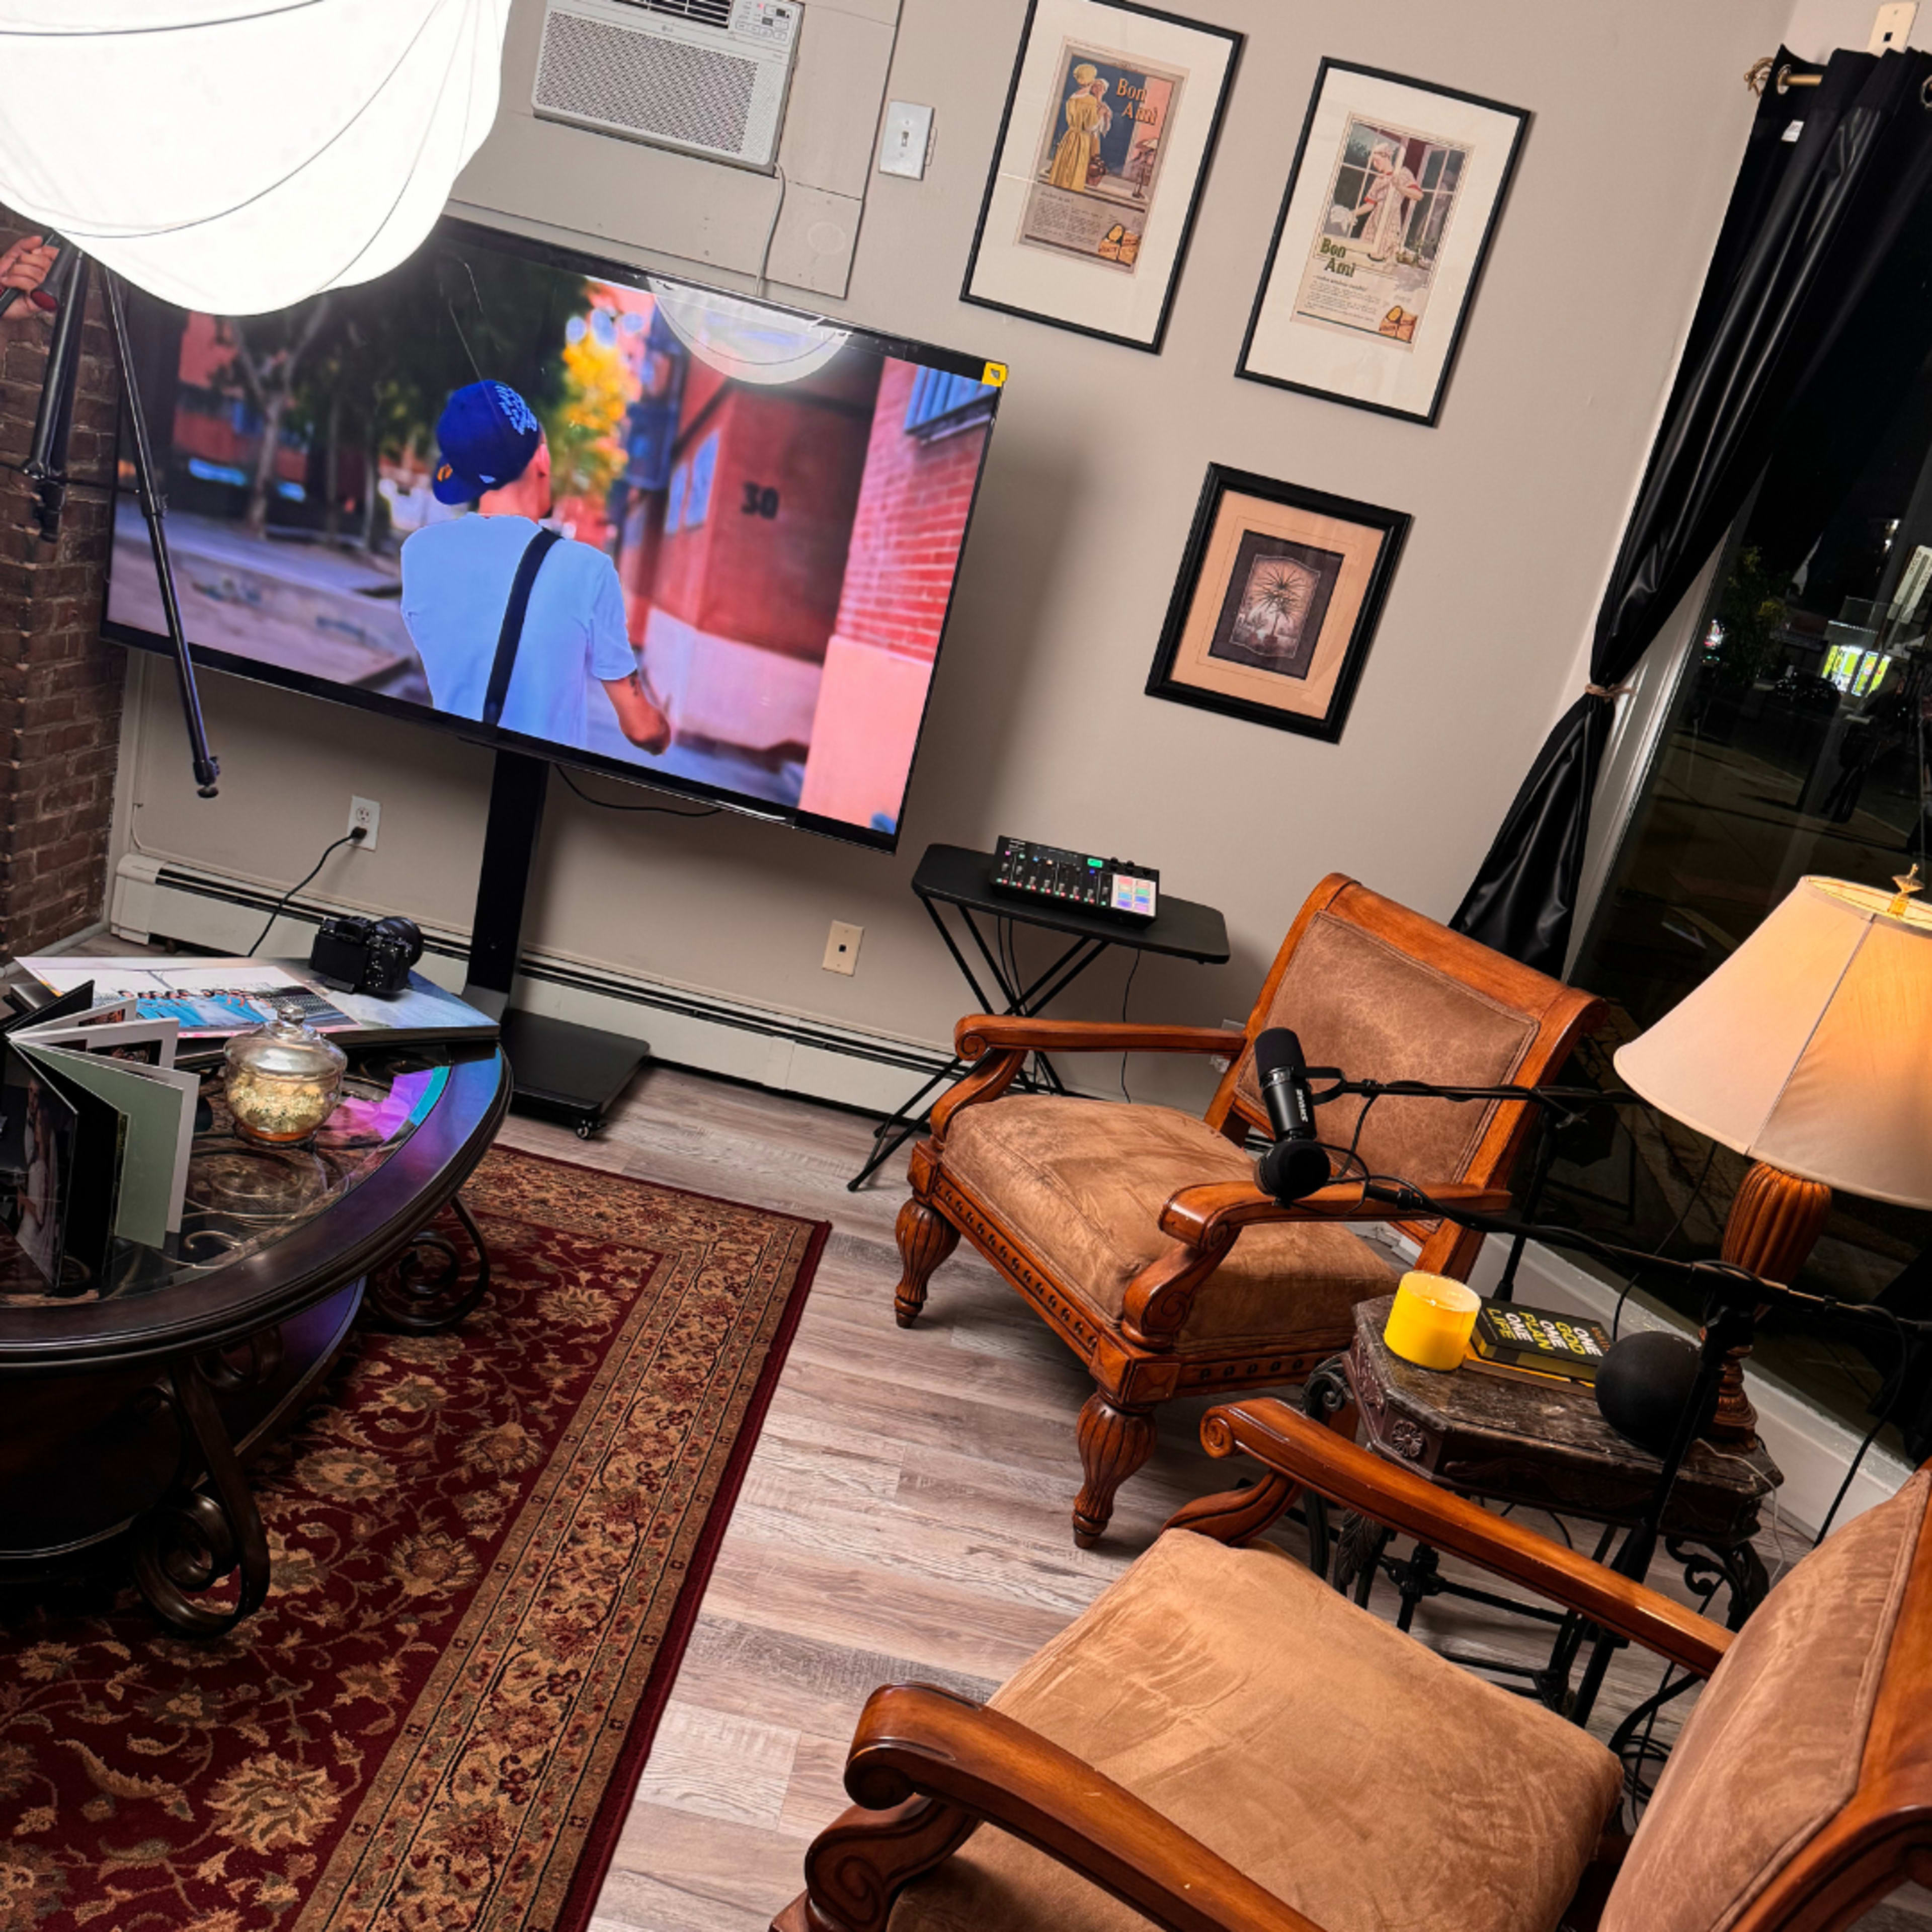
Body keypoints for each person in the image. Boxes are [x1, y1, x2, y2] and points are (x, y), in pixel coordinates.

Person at [400, 381, 671, 755]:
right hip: (541, 782)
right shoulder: (588, 571)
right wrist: (663, 729)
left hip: (451, 770)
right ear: (541, 459)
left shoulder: (418, 553)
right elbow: (642, 730)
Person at [1046, 66, 1110, 192]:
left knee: (1064, 169)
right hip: (1082, 139)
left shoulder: (1072, 97)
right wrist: (1101, 114)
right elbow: (1089, 127)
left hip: (1069, 136)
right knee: (1074, 173)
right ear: (1091, 81)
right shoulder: (1090, 101)